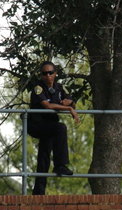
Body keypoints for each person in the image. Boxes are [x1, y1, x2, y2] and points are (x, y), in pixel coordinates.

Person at [27, 61, 80, 195]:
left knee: (44, 155)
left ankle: (38, 191)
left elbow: (71, 102)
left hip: (50, 125)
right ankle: (60, 165)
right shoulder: (38, 88)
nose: (48, 76)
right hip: (37, 124)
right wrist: (68, 108)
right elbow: (47, 106)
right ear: (41, 75)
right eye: (44, 73)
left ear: (55, 74)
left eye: (50, 73)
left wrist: (71, 102)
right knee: (61, 128)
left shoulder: (60, 88)